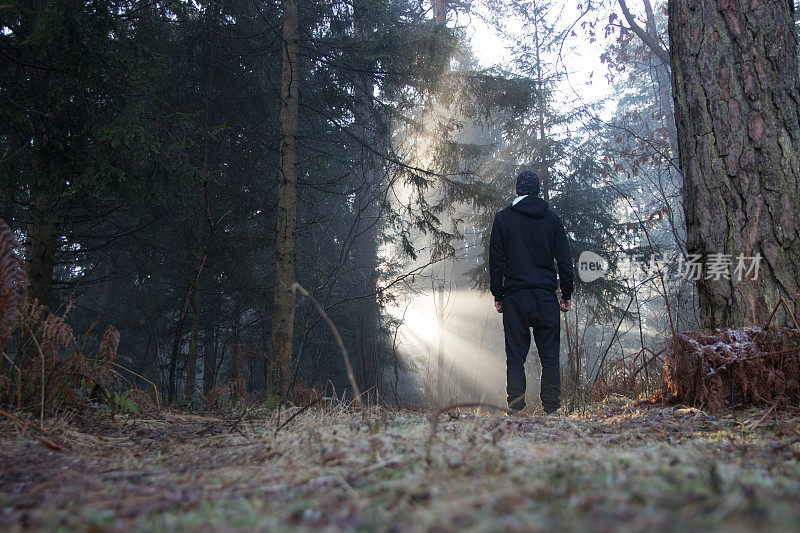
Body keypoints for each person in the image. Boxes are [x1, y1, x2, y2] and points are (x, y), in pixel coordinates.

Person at [489, 170, 573, 414]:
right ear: (537, 191)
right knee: (550, 356)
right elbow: (564, 260)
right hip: (546, 296)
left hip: (515, 297)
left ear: (517, 190)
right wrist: (565, 293)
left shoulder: (503, 219)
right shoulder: (553, 219)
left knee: (515, 355)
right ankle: (551, 409)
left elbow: (496, 261)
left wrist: (498, 294)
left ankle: (515, 408)